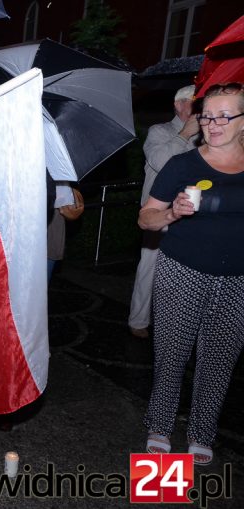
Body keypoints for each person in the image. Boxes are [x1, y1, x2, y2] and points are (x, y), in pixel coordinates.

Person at [139, 82, 244, 466]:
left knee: (219, 358)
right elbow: (145, 217)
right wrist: (171, 213)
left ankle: (202, 432)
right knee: (172, 353)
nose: (214, 124)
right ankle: (160, 426)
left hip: (238, 279)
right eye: (208, 116)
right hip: (182, 270)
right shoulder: (182, 164)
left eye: (225, 116)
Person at [128, 85, 198, 338]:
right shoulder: (160, 131)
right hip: (156, 212)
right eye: (194, 101)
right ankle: (138, 320)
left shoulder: (204, 138)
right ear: (179, 105)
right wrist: (184, 135)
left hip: (191, 214)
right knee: (149, 267)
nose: (198, 107)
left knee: (185, 270)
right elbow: (159, 162)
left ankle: (175, 324)